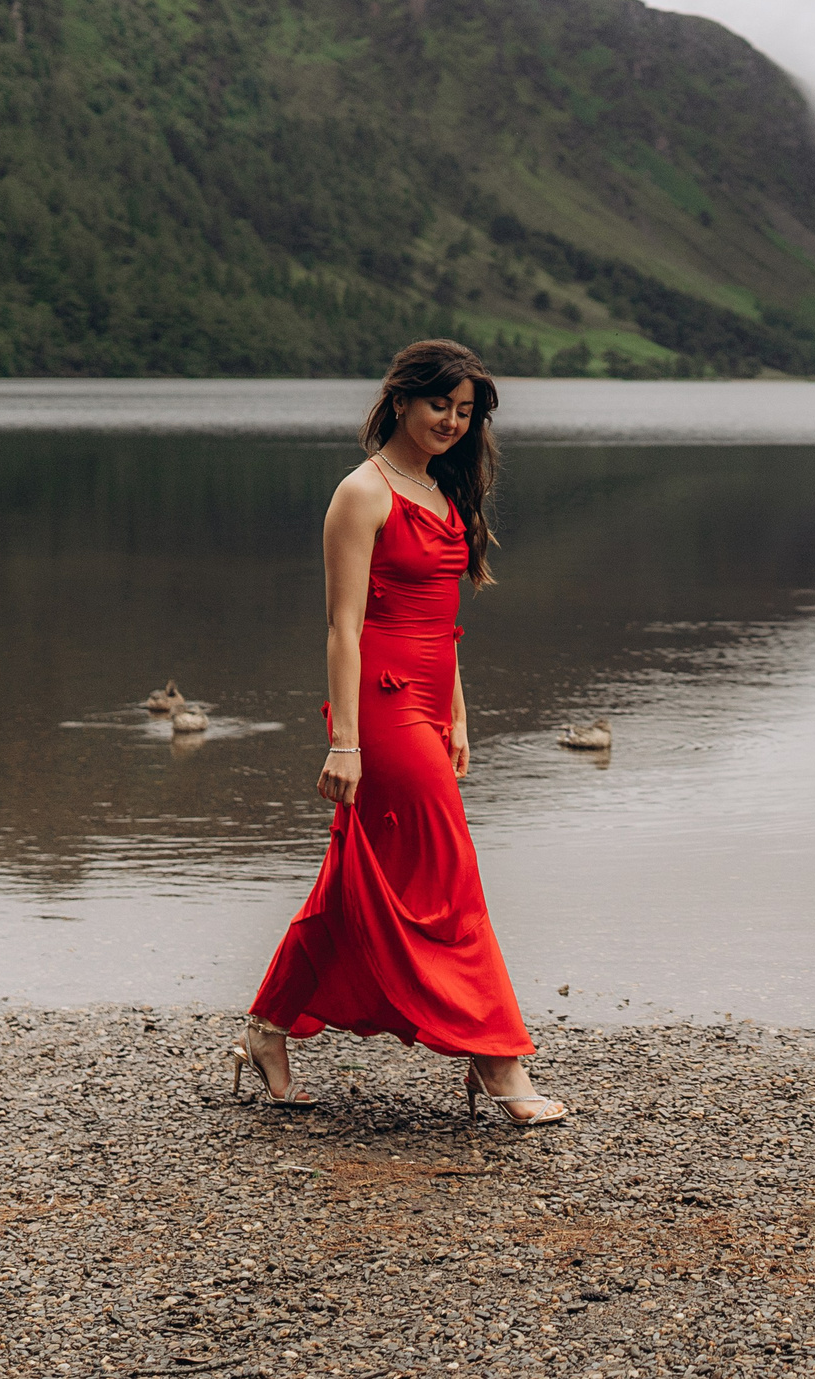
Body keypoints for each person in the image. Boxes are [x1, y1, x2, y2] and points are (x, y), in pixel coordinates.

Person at [236, 339, 564, 1125]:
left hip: (427, 695)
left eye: (464, 411)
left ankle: (266, 1027)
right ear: (400, 400)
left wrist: (457, 709)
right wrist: (343, 739)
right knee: (449, 872)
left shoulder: (441, 490)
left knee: (355, 873)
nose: (451, 421)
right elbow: (343, 628)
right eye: (438, 405)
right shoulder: (364, 492)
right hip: (377, 703)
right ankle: (497, 1059)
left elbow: (441, 623)